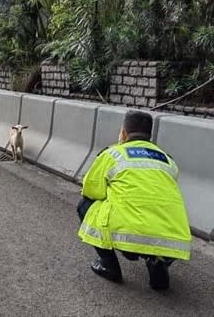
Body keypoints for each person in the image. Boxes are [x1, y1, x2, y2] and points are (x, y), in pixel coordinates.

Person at [77, 110, 191, 290]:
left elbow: (91, 191)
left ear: (123, 133)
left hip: (128, 233)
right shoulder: (168, 160)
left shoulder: (113, 154)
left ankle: (108, 265)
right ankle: (158, 262)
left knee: (85, 205)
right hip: (170, 236)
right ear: (150, 135)